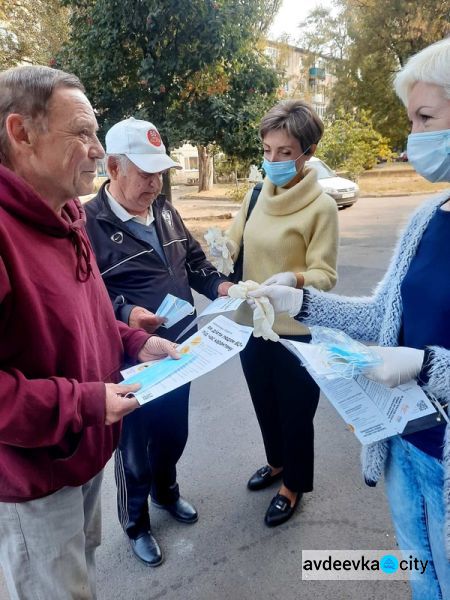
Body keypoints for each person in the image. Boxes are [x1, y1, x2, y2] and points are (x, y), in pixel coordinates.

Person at [248, 38, 450, 599]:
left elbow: (423, 357)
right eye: (412, 121)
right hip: (406, 444)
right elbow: (382, 313)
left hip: (446, 459)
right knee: (419, 570)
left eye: (427, 118)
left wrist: (425, 364)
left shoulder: (318, 204)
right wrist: (303, 304)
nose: (414, 143)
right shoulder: (428, 218)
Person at [0, 66, 179, 599]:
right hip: (37, 480)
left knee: (83, 581)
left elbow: (90, 313)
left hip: (84, 454)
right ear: (21, 133)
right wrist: (83, 405)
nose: (98, 151)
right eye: (82, 133)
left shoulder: (67, 213)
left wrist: (132, 341)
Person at [84, 117, 233, 566]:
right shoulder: (88, 223)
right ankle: (136, 524)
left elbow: (193, 260)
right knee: (135, 452)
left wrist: (223, 288)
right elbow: (87, 295)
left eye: (160, 171)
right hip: (130, 358)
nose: (155, 182)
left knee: (173, 435)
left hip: (181, 349)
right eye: (145, 172)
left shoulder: (165, 209)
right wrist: (127, 312)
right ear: (113, 167)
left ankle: (168, 495)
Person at [225, 100, 338, 527]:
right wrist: (223, 249)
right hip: (251, 324)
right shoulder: (255, 194)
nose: (272, 160)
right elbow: (234, 242)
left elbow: (325, 274)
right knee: (264, 403)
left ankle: (293, 485)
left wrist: (293, 279)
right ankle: (275, 463)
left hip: (296, 331)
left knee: (295, 413)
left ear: (307, 153)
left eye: (285, 152)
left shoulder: (320, 207)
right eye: (267, 149)